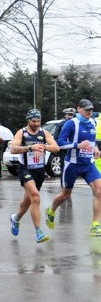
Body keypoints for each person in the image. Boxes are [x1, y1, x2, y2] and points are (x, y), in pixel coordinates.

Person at [45, 99, 101, 237]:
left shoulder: (94, 122)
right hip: (72, 165)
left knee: (99, 191)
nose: (89, 112)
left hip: (88, 164)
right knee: (66, 195)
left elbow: (93, 142)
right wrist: (77, 145)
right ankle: (51, 211)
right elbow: (60, 143)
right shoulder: (71, 124)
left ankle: (95, 226)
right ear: (79, 109)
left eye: (91, 109)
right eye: (87, 109)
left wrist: (96, 148)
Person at [8, 109, 58, 243]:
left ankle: (16, 219)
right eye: (33, 121)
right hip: (25, 170)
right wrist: (30, 148)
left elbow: (56, 148)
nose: (36, 124)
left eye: (38, 121)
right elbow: (13, 148)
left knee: (28, 201)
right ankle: (38, 232)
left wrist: (43, 146)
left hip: (39, 171)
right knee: (35, 197)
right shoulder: (22, 132)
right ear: (28, 120)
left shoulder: (44, 133)